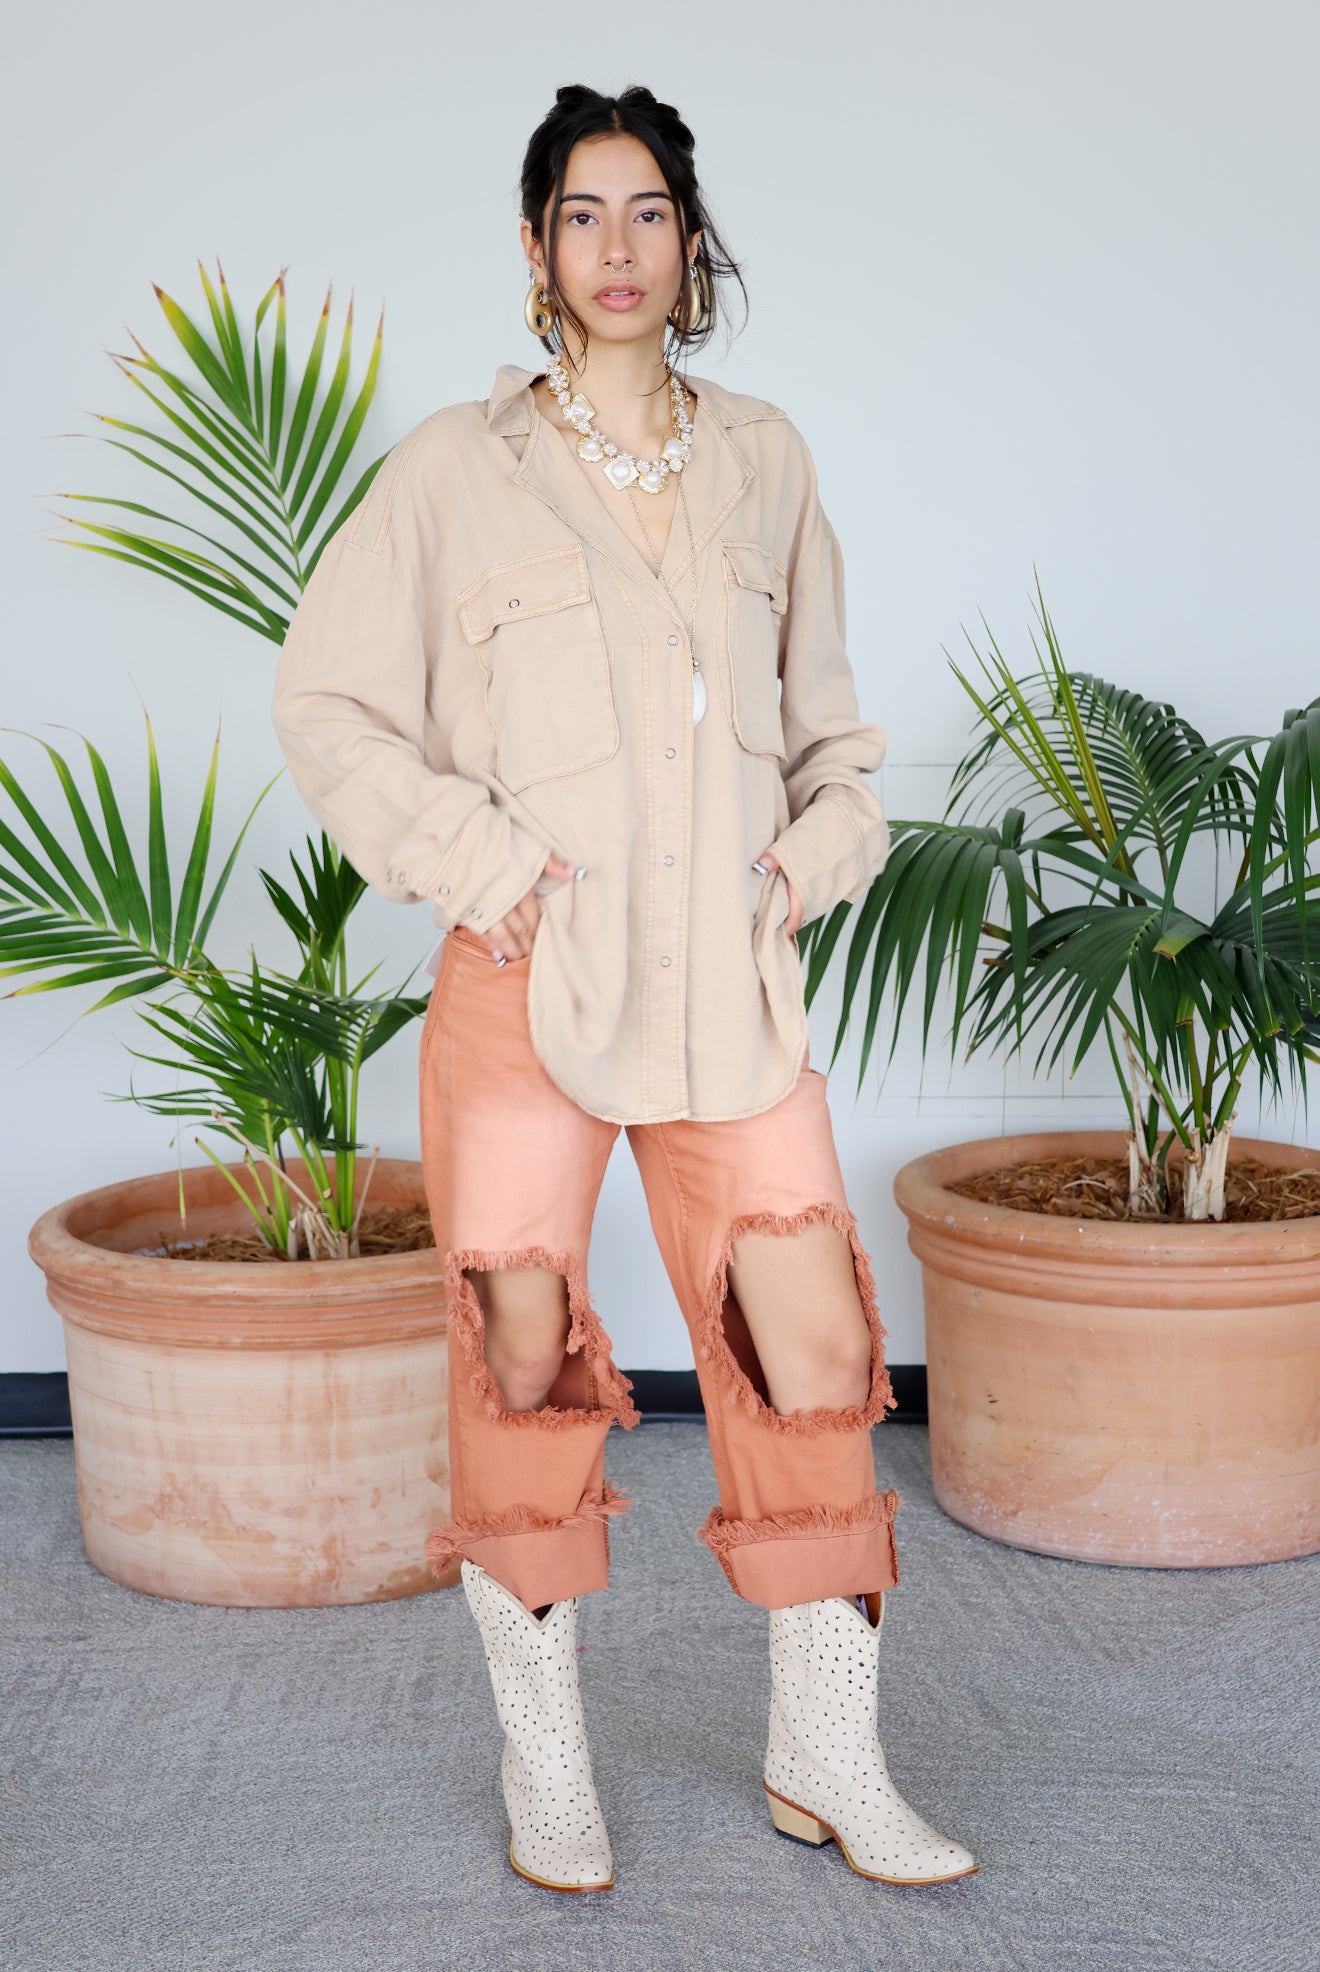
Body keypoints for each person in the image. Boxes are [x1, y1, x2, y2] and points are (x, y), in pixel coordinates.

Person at [270, 81, 977, 1896]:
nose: (617, 249)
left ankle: (829, 1758)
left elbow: (839, 743)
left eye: (648, 211)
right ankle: (548, 1772)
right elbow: (329, 708)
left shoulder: (767, 459)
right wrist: (485, 867)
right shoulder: (452, 471)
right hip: (529, 996)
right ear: (533, 248)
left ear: (691, 237)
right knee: (520, 1365)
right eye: (581, 215)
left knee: (815, 1347)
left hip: (728, 1001)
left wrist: (805, 866)